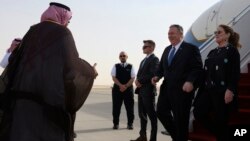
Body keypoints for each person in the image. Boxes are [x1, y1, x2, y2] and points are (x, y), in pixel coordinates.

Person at [0, 2, 97, 141]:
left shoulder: (32, 31)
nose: (68, 24)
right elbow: (71, 66)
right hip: (47, 107)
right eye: (68, 21)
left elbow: (15, 62)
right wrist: (90, 71)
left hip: (21, 105)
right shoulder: (63, 33)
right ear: (62, 17)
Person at [152, 24, 203, 141]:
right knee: (160, 112)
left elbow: (197, 68)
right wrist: (157, 76)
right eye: (168, 34)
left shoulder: (190, 49)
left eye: (172, 33)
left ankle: (180, 137)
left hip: (183, 90)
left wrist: (190, 81)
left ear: (180, 34)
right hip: (167, 89)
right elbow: (161, 68)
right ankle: (178, 137)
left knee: (181, 120)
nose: (170, 36)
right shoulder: (167, 49)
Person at [193, 24, 241, 141]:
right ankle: (222, 135)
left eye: (219, 32)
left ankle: (222, 136)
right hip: (208, 90)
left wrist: (230, 90)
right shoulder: (212, 52)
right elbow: (206, 73)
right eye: (215, 32)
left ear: (227, 35)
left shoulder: (232, 51)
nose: (216, 34)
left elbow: (235, 73)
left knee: (221, 120)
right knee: (198, 112)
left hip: (222, 91)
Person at [131, 40, 159, 141]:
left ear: (152, 48)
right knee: (141, 114)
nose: (143, 48)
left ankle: (153, 138)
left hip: (148, 91)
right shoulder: (143, 61)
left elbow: (153, 73)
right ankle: (143, 136)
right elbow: (139, 74)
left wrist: (140, 81)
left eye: (145, 47)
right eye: (143, 47)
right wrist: (137, 81)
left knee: (152, 116)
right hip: (141, 91)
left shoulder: (155, 59)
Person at [111, 51, 135, 130]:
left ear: (127, 57)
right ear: (119, 57)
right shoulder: (115, 66)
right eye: (121, 56)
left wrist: (126, 86)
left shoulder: (131, 66)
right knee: (116, 108)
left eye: (124, 55)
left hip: (128, 90)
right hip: (117, 90)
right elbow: (114, 77)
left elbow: (132, 78)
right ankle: (116, 124)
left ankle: (130, 124)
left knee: (130, 108)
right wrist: (121, 85)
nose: (122, 57)